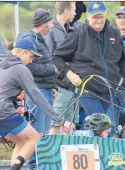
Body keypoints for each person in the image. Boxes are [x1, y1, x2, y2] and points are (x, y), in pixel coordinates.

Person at [0, 38, 65, 170]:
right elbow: (36, 95)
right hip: (2, 112)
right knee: (35, 138)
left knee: (22, 141)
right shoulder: (20, 69)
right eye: (31, 57)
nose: (31, 61)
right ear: (23, 53)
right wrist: (57, 118)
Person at [52, 1, 125, 137]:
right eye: (95, 17)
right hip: (87, 89)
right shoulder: (77, 32)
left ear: (105, 15)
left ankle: (94, 154)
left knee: (105, 129)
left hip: (109, 90)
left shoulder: (114, 32)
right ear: (87, 16)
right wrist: (69, 74)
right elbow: (57, 57)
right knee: (102, 126)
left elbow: (124, 59)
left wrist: (121, 76)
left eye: (101, 17)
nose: (98, 20)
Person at [17, 8, 58, 170]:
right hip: (37, 91)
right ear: (43, 23)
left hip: (44, 89)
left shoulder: (38, 39)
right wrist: (51, 69)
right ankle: (35, 166)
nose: (52, 23)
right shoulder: (30, 39)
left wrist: (52, 85)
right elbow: (29, 65)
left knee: (43, 130)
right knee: (37, 130)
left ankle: (39, 165)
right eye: (50, 21)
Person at [45, 1, 79, 130]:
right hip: (59, 87)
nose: (76, 13)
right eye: (74, 10)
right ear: (67, 11)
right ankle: (54, 150)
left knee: (69, 125)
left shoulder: (71, 29)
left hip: (71, 86)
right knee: (55, 124)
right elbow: (48, 58)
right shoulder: (51, 30)